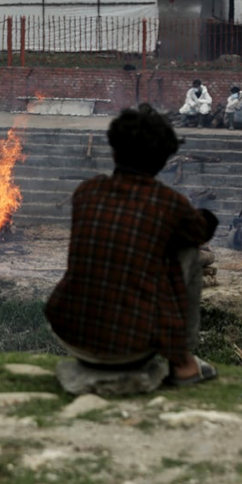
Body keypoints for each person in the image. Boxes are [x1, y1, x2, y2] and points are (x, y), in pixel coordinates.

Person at [45, 104, 219, 387]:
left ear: (114, 151)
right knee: (187, 252)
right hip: (130, 346)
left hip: (69, 332)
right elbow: (202, 231)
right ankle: (183, 363)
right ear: (163, 160)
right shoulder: (168, 203)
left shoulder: (86, 192)